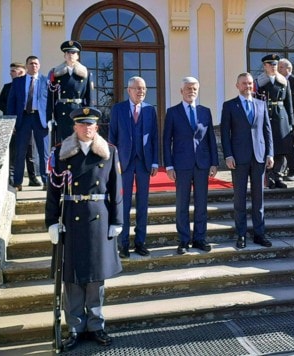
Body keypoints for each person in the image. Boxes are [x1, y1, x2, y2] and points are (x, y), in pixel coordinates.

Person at [45, 107, 123, 351]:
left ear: (96, 128)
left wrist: (117, 220)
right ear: (74, 128)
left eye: (90, 125)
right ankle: (75, 327)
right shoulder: (62, 153)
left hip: (99, 219)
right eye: (81, 125)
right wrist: (51, 221)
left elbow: (115, 188)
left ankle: (96, 325)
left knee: (95, 277)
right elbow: (53, 191)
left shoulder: (109, 152)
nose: (86, 129)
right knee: (72, 277)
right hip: (71, 217)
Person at [163, 77, 219, 254]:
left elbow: (210, 138)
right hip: (181, 165)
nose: (191, 91)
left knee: (201, 204)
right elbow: (166, 141)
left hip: (202, 164)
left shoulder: (205, 111)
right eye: (188, 88)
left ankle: (200, 239)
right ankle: (184, 241)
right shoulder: (172, 112)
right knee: (182, 204)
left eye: (194, 88)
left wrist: (214, 163)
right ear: (181, 91)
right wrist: (169, 166)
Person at [220, 72, 274, 249]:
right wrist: (228, 155)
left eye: (250, 83)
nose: (247, 86)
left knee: (259, 199)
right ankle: (241, 234)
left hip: (259, 157)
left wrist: (270, 154)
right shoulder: (229, 106)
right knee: (240, 199)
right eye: (244, 83)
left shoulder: (261, 104)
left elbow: (267, 131)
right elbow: (225, 133)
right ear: (237, 86)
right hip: (238, 157)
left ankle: (259, 234)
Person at [109, 76, 159, 258]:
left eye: (144, 89)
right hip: (124, 163)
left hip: (144, 163)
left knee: (143, 204)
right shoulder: (118, 109)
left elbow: (154, 137)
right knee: (124, 204)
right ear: (129, 90)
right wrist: (114, 162)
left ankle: (140, 242)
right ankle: (123, 244)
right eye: (137, 88)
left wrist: (155, 161)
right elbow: (112, 137)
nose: (141, 92)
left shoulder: (149, 110)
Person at [7, 55, 50, 191]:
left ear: (40, 65)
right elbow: (11, 102)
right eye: (31, 63)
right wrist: (11, 122)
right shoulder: (18, 82)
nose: (34, 66)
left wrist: (51, 119)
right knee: (20, 151)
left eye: (36, 63)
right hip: (23, 118)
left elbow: (51, 102)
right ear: (26, 66)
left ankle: (46, 181)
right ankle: (18, 182)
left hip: (40, 119)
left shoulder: (46, 81)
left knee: (44, 152)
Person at [0, 62, 41, 187]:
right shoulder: (7, 87)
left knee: (30, 151)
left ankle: (33, 177)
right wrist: (11, 112)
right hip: (14, 124)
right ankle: (12, 178)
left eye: (13, 71)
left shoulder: (29, 85)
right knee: (15, 151)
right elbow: (0, 103)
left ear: (21, 71)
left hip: (28, 122)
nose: (10, 73)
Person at [255, 54, 294, 189]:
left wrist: (291, 122)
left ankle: (277, 176)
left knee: (281, 148)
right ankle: (268, 177)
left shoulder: (283, 81)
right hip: (265, 115)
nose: (273, 67)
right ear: (265, 66)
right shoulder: (259, 82)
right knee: (267, 147)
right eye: (270, 64)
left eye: (275, 64)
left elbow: (289, 103)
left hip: (281, 116)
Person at [47, 40, 97, 144]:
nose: (71, 55)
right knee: (62, 142)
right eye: (68, 53)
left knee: (78, 141)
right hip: (61, 111)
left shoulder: (85, 73)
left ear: (77, 56)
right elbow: (51, 97)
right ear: (64, 56)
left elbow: (89, 97)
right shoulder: (56, 73)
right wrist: (49, 117)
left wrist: (89, 117)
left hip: (78, 111)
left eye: (73, 53)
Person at [278, 58, 294, 181]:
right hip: (282, 117)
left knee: (290, 143)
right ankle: (282, 168)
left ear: (288, 68)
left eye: (281, 67)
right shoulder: (279, 81)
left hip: (293, 118)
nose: (278, 69)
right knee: (283, 142)